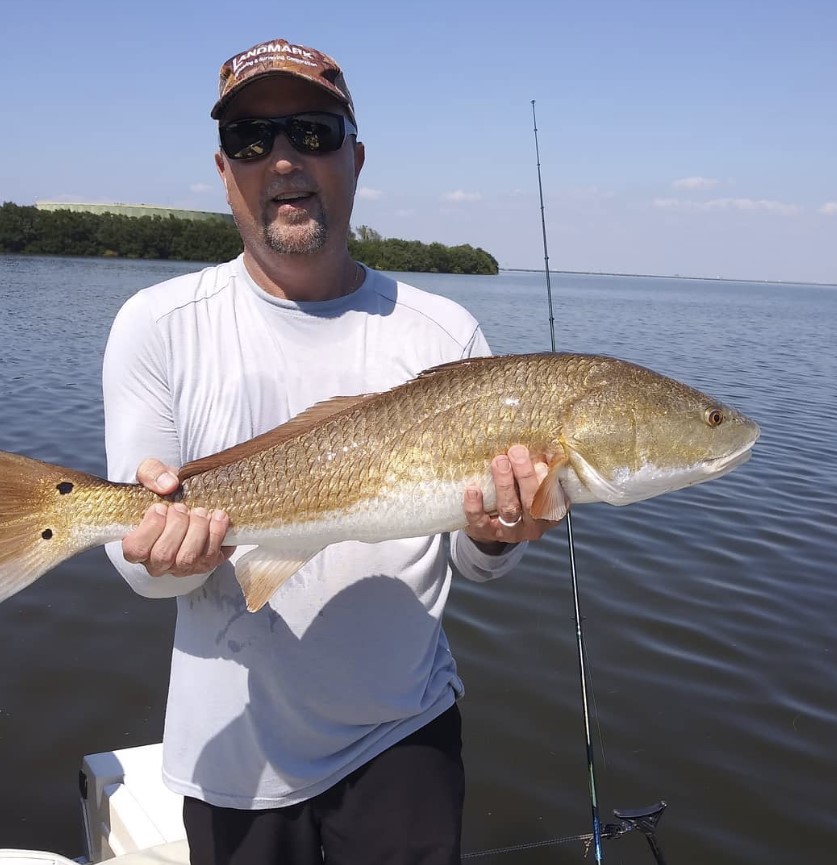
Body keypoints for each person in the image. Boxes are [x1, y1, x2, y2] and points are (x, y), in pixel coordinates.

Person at [103, 37, 561, 865]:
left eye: (311, 132)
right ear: (223, 169)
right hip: (233, 751)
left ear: (355, 156)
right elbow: (137, 570)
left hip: (405, 733)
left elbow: (479, 558)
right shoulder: (156, 324)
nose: (282, 160)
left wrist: (498, 533)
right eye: (252, 140)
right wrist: (161, 556)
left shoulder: (445, 332)